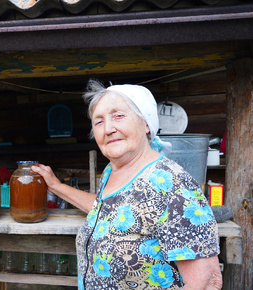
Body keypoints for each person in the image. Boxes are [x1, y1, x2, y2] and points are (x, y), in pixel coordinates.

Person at [32, 80, 222, 289]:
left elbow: (206, 281)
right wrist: (56, 186)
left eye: (119, 116)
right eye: (99, 122)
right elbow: (106, 211)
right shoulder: (111, 171)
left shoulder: (172, 184)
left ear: (146, 123)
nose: (109, 129)